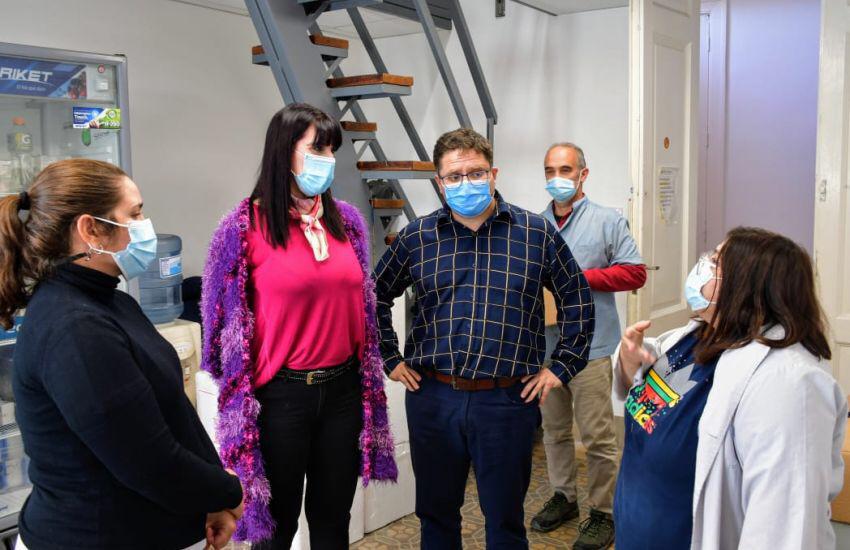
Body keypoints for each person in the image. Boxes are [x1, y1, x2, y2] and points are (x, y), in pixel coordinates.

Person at [2, 159, 244, 550]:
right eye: (134, 214)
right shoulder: (75, 328)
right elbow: (148, 460)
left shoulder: (112, 302)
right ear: (90, 229)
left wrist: (212, 499)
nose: (145, 225)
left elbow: (174, 417)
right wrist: (229, 492)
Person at [374, 127, 595, 549]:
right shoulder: (417, 237)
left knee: (505, 520)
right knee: (436, 516)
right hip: (433, 397)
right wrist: (389, 356)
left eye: (475, 173)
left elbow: (577, 300)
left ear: (493, 174)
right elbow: (374, 295)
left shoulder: (535, 233)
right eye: (454, 176)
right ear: (440, 182)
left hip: (507, 401)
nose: (466, 183)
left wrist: (561, 367)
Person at [201, 103, 397, 548]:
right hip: (280, 399)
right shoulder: (242, 227)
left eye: (331, 150)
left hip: (343, 393)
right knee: (275, 528)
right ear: (283, 151)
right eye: (317, 149)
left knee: (333, 522)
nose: (327, 159)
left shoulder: (346, 222)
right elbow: (215, 332)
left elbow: (361, 307)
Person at [614, 227, 847, 549]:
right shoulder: (697, 335)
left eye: (715, 262)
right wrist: (630, 364)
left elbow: (784, 528)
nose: (702, 266)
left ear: (746, 285)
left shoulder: (789, 384)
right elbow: (651, 406)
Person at [532, 142, 646, 549]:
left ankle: (603, 512)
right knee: (554, 430)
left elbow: (635, 273)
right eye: (550, 171)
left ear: (583, 174)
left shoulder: (606, 221)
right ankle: (564, 497)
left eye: (565, 170)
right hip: (546, 347)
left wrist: (579, 278)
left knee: (597, 437)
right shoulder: (535, 226)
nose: (557, 178)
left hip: (592, 347)